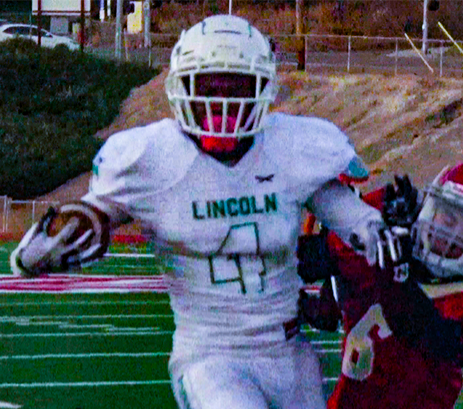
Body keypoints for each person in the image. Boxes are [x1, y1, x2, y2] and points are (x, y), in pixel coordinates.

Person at [9, 15, 403, 409]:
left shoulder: (292, 146)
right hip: (211, 357)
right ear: (181, 87)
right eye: (209, 88)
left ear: (263, 88)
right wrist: (62, 232)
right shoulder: (153, 157)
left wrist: (394, 236)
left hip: (291, 354)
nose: (222, 104)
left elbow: (356, 222)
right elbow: (91, 215)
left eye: (236, 88)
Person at [298, 160, 463, 409]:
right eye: (446, 214)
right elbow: (312, 259)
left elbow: (423, 332)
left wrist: (395, 265)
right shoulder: (387, 221)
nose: (443, 231)